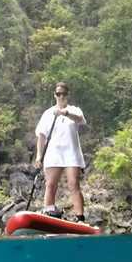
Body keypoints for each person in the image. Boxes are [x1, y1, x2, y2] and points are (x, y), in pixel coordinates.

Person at [34, 82, 87, 221]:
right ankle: (49, 212)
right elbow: (41, 136)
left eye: (63, 94)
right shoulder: (47, 113)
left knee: (73, 183)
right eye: (58, 94)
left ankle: (80, 217)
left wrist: (65, 112)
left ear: (67, 95)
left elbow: (80, 119)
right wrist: (39, 156)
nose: (61, 96)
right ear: (54, 95)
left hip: (71, 153)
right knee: (50, 184)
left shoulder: (74, 110)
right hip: (53, 153)